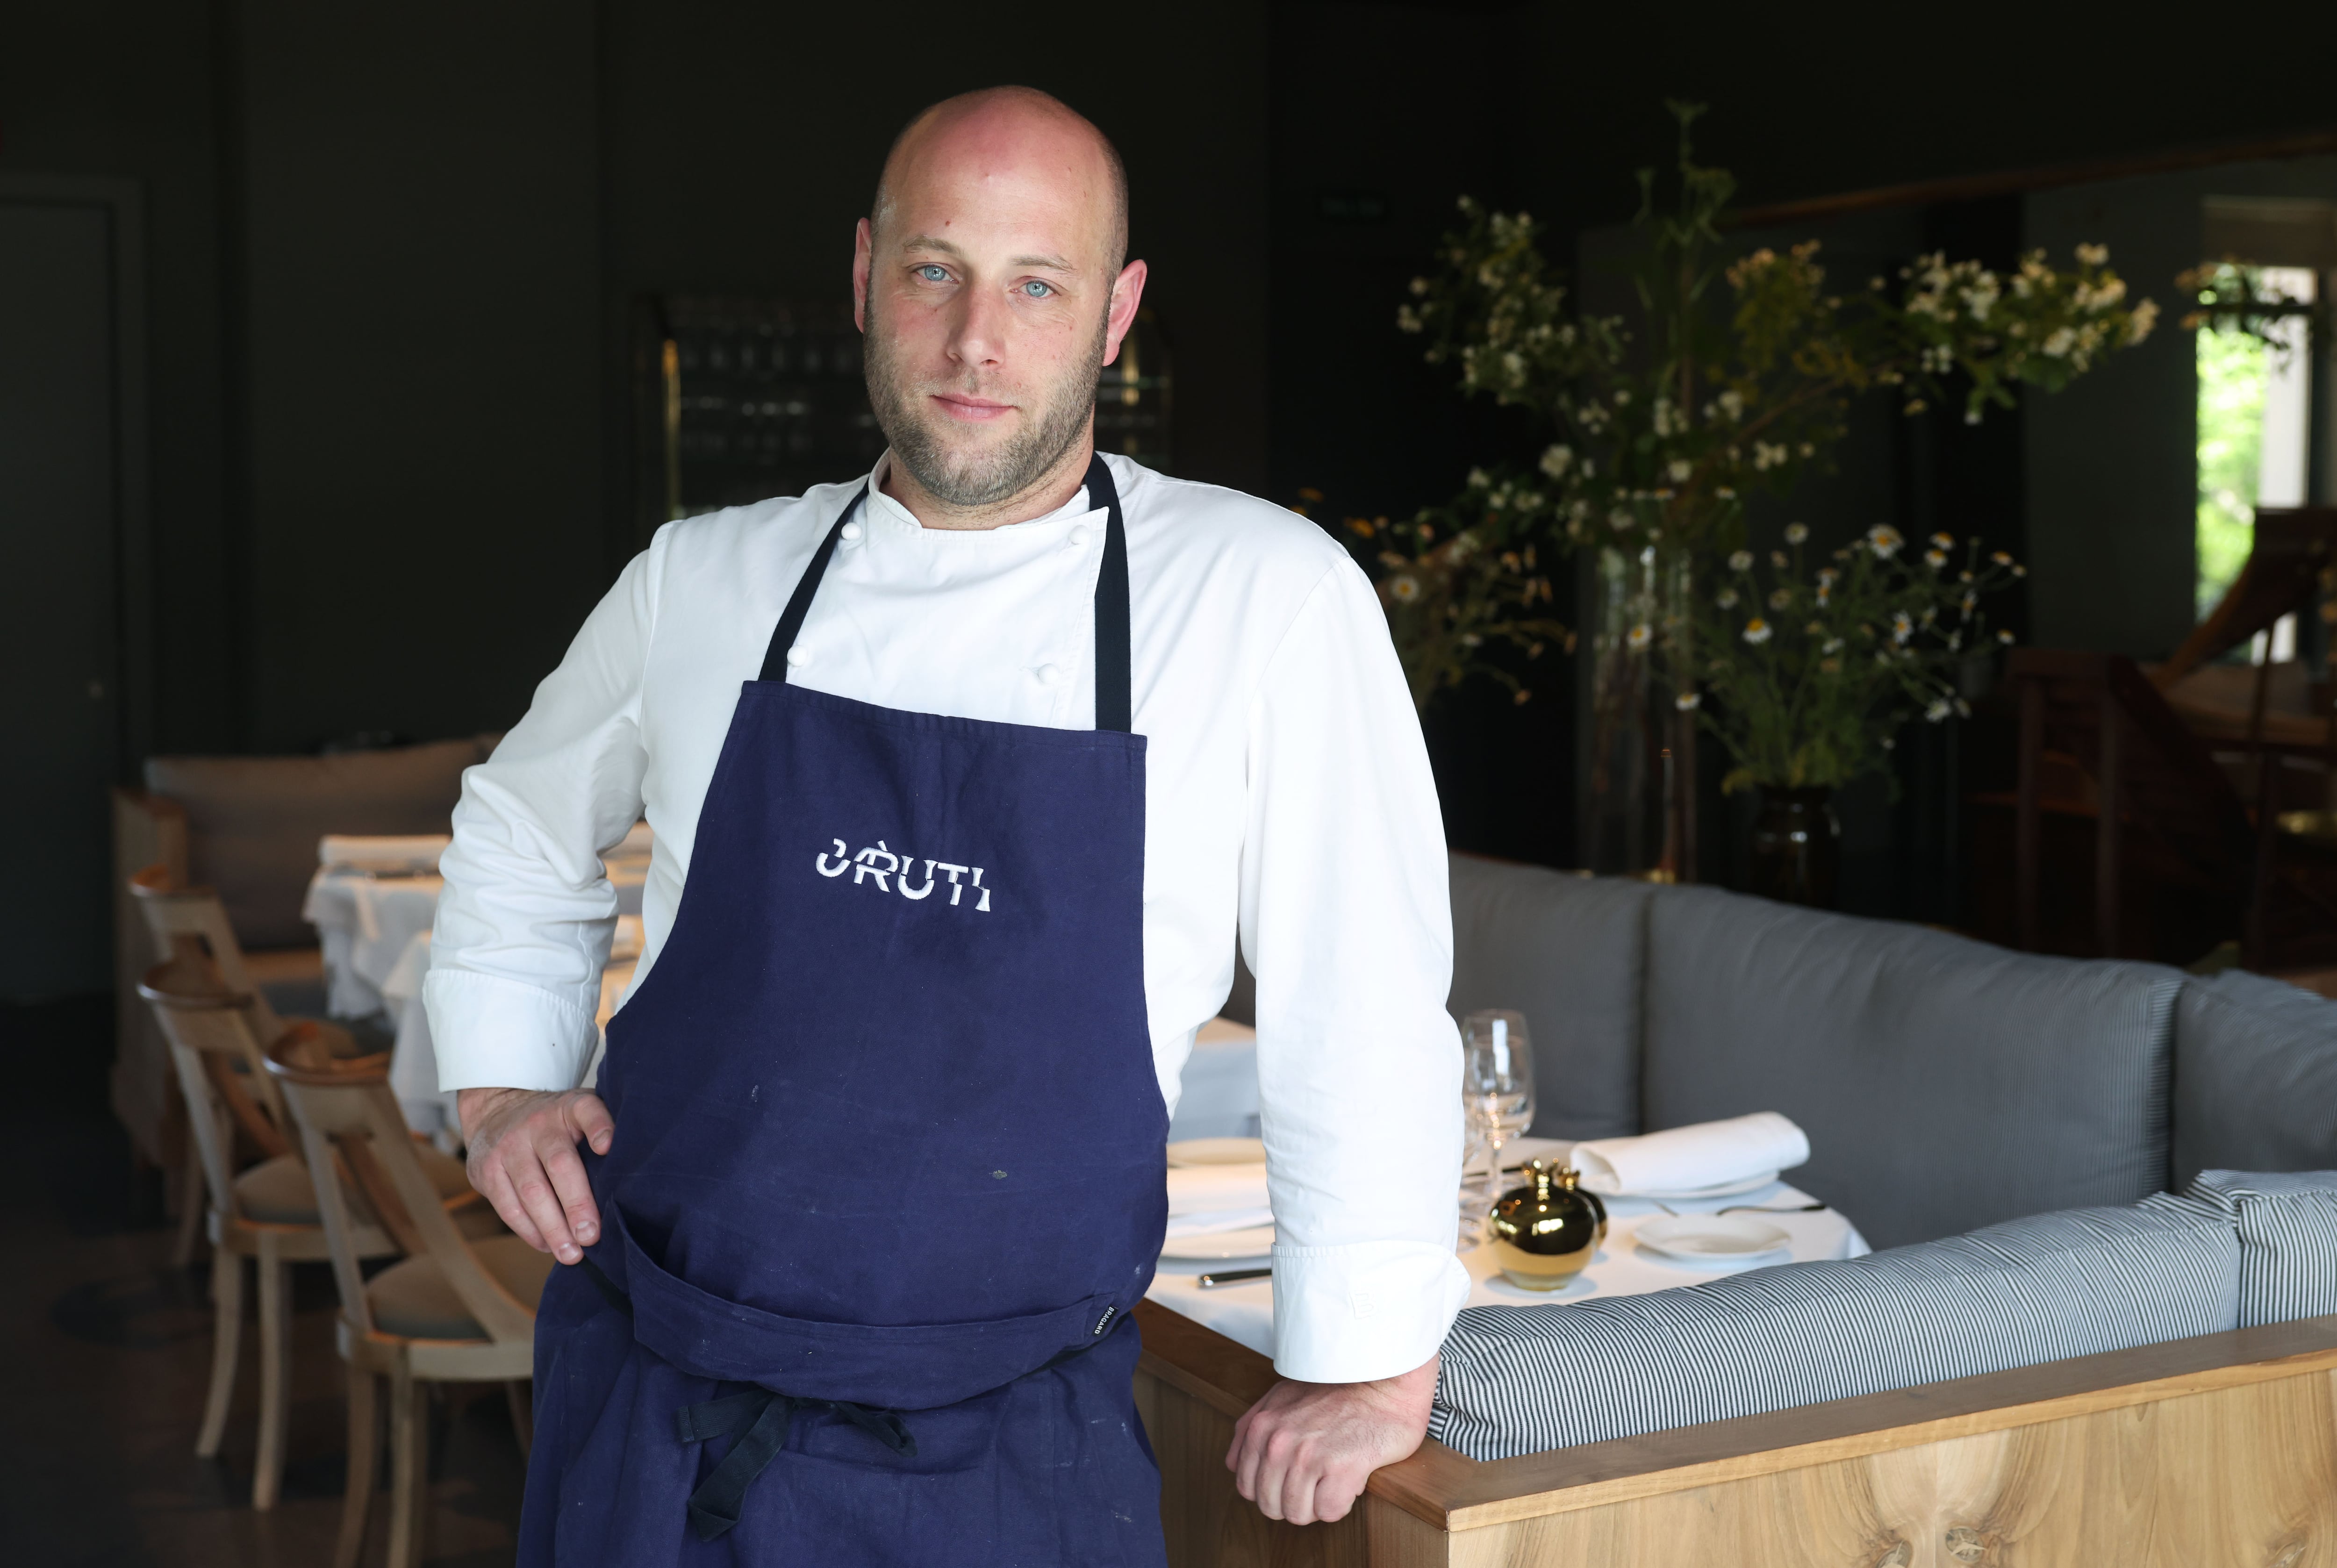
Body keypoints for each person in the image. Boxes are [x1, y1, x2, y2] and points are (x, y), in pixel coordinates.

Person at [426, 85, 1465, 1566]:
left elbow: (1356, 996)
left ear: (1118, 314)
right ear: (865, 276)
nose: (980, 340)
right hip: (654, 1418)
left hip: (1001, 1462)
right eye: (936, 271)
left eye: (1038, 284)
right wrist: (499, 1085)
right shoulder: (704, 579)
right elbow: (522, 829)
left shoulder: (1262, 597)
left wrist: (1366, 1358)